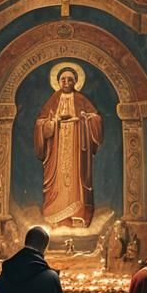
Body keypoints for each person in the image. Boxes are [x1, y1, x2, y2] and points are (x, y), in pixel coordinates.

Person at [34, 66, 103, 227]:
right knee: (58, 181)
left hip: (76, 147)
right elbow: (40, 123)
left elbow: (96, 119)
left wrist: (85, 119)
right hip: (57, 148)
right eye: (63, 79)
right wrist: (52, 122)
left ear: (75, 82)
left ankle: (77, 216)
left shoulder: (81, 99)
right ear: (58, 82)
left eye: (70, 79)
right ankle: (57, 217)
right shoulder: (53, 99)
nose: (66, 82)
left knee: (75, 180)